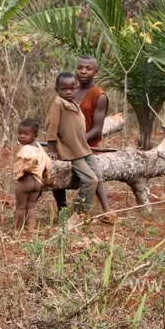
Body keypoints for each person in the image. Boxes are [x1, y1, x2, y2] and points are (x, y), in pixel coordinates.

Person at [53, 55, 114, 224]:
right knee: (55, 169)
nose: (83, 71)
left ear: (96, 71)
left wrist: (77, 142)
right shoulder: (69, 89)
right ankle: (62, 209)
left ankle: (105, 210)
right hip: (65, 144)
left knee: (94, 175)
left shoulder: (99, 95)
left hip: (87, 144)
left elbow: (96, 130)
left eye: (88, 68)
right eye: (80, 67)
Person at [45, 72, 100, 230]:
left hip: (83, 148)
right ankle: (77, 214)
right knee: (90, 180)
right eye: (64, 89)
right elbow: (51, 126)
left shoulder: (74, 103)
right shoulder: (58, 104)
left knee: (98, 176)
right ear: (57, 90)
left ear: (76, 89)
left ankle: (84, 212)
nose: (68, 92)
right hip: (70, 151)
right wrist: (52, 148)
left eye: (71, 88)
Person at [12, 119, 51, 232]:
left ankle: (17, 230)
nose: (22, 136)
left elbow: (29, 160)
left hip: (26, 181)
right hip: (37, 183)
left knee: (20, 207)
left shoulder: (26, 149)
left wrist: (26, 168)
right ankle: (31, 228)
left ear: (34, 136)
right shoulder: (39, 148)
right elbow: (47, 163)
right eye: (20, 133)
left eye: (26, 134)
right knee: (31, 207)